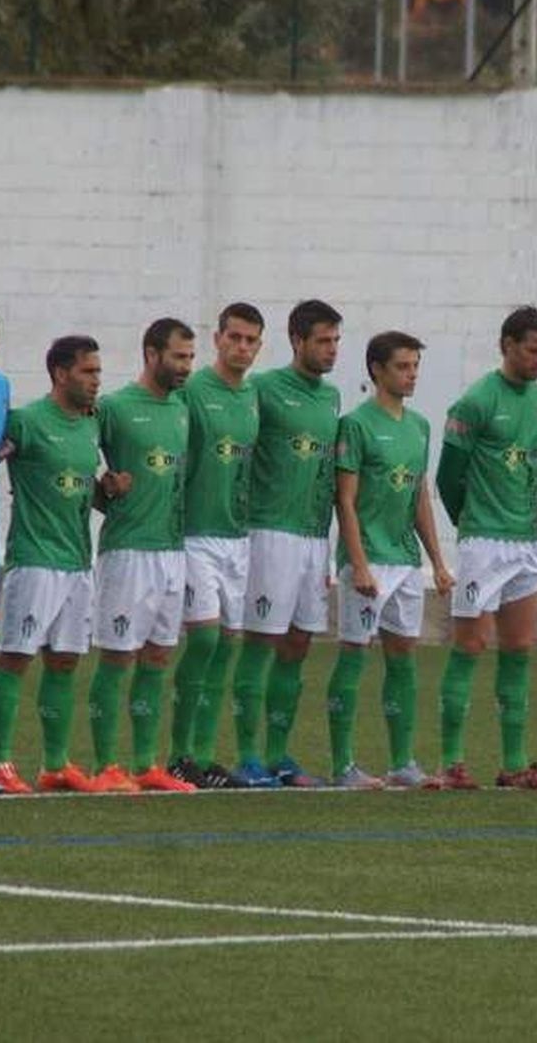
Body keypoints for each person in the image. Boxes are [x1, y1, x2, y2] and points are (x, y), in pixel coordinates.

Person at [430, 306, 537, 791]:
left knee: (520, 648)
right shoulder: (476, 402)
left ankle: (514, 764)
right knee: (470, 645)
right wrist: (471, 524)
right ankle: (451, 763)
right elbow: (448, 477)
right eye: (533, 351)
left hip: (526, 542)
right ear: (507, 345)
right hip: (484, 542)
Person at [326, 331, 455, 789]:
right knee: (354, 653)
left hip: (405, 560)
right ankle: (343, 766)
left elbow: (420, 495)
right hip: (369, 560)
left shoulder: (419, 426)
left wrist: (437, 561)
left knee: (403, 656)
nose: (412, 374)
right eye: (403, 366)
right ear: (377, 370)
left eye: (415, 366)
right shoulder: (356, 425)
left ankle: (402, 762)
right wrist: (358, 563)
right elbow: (345, 500)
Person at [0, 336, 103, 794]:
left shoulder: (90, 425)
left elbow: (85, 487)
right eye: (87, 371)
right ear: (60, 373)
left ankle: (55, 764)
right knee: (15, 658)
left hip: (77, 561)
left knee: (65, 662)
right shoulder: (26, 423)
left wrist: (110, 489)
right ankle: (1, 764)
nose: (96, 380)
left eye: (98, 371)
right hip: (34, 560)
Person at [232, 299, 343, 788]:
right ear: (297, 340)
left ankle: (279, 754)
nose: (331, 349)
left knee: (298, 644)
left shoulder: (332, 397)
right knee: (261, 641)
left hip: (313, 537)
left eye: (336, 340)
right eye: (323, 340)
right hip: (269, 532)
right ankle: (248, 756)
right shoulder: (263, 389)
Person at [86, 318, 198, 794]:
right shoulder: (113, 408)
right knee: (118, 656)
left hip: (171, 551)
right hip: (128, 551)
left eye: (190, 358)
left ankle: (147, 764)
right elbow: (76, 457)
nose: (186, 367)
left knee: (158, 656)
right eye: (178, 357)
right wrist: (103, 490)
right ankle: (106, 765)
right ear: (151, 354)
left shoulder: (181, 408)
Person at [166, 303, 264, 789]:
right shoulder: (192, 391)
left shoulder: (252, 395)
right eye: (235, 337)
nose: (242, 347)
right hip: (195, 535)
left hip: (236, 538)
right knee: (202, 640)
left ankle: (203, 757)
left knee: (226, 644)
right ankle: (177, 753)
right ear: (218, 339)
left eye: (251, 340)